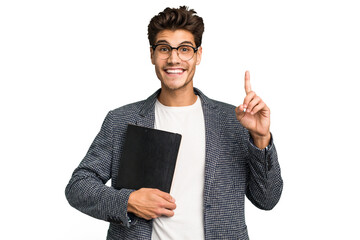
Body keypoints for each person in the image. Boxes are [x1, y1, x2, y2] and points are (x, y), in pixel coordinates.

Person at [65, 6, 283, 240]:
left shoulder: (235, 120)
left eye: (185, 49)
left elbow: (266, 200)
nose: (173, 58)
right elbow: (78, 186)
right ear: (152, 54)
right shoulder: (121, 120)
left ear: (198, 55)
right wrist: (127, 201)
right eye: (164, 48)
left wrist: (261, 139)